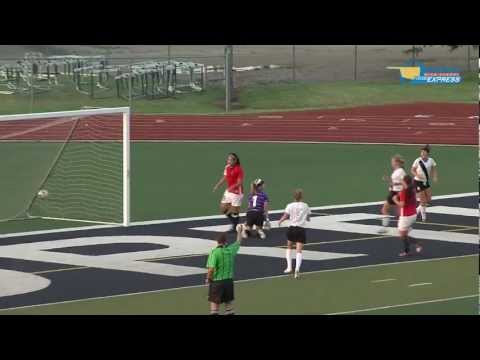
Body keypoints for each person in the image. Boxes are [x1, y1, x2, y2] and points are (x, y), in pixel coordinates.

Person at [205, 226, 245, 315]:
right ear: (225, 242)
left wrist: (208, 279)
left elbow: (211, 269)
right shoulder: (230, 250)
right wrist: (239, 231)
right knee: (229, 308)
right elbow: (238, 242)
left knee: (214, 309)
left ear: (217, 242)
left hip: (217, 282)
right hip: (228, 282)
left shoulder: (214, 252)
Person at [278, 189, 311, 279]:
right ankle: (297, 270)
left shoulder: (290, 205)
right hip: (301, 229)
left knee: (289, 247)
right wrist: (306, 218)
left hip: (292, 228)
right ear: (302, 197)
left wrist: (280, 221)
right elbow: (308, 218)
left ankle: (289, 267)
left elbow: (285, 216)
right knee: (299, 250)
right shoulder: (305, 205)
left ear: (294, 197)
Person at [212, 153, 244, 232]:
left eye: (230, 159)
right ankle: (235, 223)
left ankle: (235, 226)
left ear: (235, 161)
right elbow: (225, 177)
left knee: (234, 211)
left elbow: (239, 183)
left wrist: (232, 187)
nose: (228, 161)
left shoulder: (239, 169)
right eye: (228, 159)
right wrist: (217, 185)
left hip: (237, 193)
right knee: (223, 209)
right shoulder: (227, 167)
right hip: (229, 191)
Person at [393, 175, 422, 256]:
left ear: (404, 182)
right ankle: (410, 248)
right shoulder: (411, 190)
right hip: (413, 214)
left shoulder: (404, 192)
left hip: (406, 216)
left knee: (402, 235)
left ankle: (413, 246)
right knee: (404, 234)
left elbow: (402, 205)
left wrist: (395, 200)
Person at [378, 155, 407, 233]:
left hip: (398, 193)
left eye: (392, 162)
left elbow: (404, 184)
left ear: (396, 162)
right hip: (393, 192)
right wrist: (389, 182)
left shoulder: (401, 171)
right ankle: (385, 228)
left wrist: (393, 184)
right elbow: (394, 182)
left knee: (399, 212)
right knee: (385, 209)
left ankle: (403, 227)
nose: (391, 163)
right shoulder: (395, 171)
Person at [411, 145, 438, 222]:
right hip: (418, 182)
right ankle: (424, 217)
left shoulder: (431, 160)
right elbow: (412, 170)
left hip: (425, 182)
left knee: (428, 199)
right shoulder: (417, 160)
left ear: (427, 153)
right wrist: (417, 175)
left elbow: (434, 169)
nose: (422, 154)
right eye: (421, 153)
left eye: (424, 152)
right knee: (423, 201)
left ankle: (416, 211)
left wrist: (435, 176)